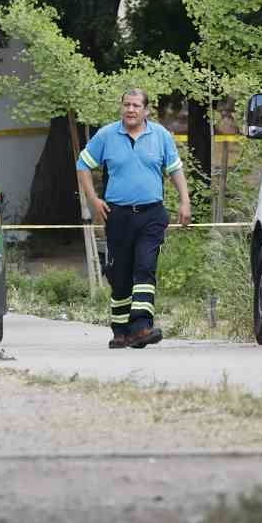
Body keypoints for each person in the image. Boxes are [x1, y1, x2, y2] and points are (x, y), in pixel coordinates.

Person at [76, 88, 191, 349]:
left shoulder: (160, 135)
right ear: (122, 108)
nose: (130, 110)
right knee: (120, 273)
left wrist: (185, 201)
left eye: (136, 105)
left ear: (146, 110)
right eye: (127, 105)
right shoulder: (106, 135)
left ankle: (141, 327)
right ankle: (121, 331)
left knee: (145, 267)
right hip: (118, 215)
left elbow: (175, 170)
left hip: (152, 214)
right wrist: (94, 200)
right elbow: (82, 164)